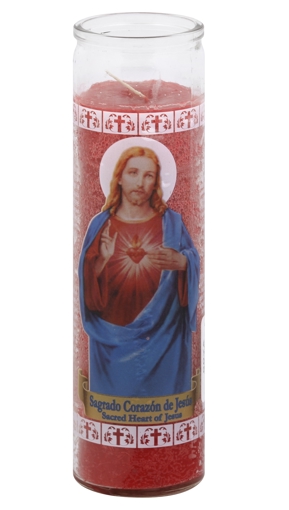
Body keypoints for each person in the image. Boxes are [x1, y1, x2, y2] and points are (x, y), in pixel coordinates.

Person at [79, 146, 199, 397]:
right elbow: (87, 289)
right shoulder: (100, 225)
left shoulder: (172, 224)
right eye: (133, 172)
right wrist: (102, 260)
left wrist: (183, 262)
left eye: (149, 175)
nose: (140, 182)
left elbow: (193, 263)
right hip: (111, 346)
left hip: (165, 342)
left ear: (156, 182)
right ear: (119, 177)